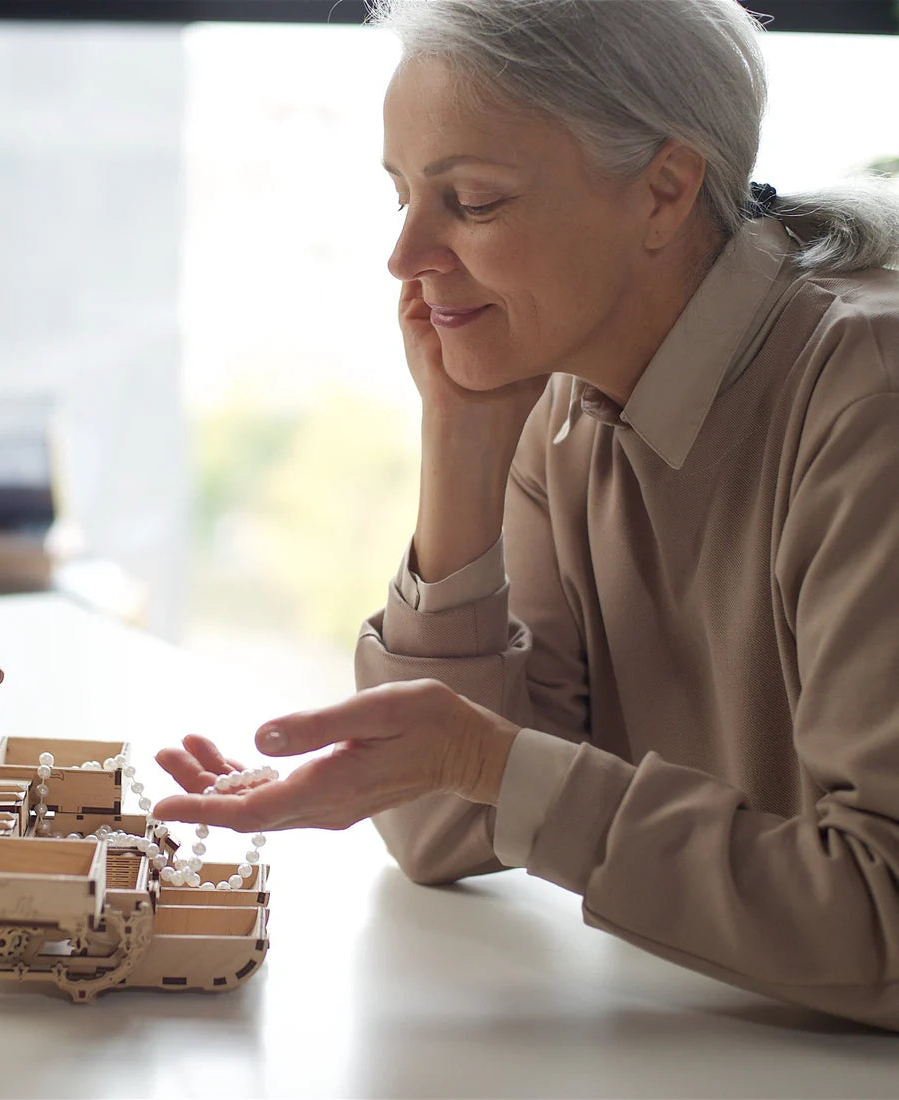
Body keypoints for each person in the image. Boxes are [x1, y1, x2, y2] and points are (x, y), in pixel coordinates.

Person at [155, 0, 899, 1030]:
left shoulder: (868, 401)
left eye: (470, 200)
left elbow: (883, 915)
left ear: (665, 190)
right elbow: (441, 829)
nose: (404, 253)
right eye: (402, 195)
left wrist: (486, 760)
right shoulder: (568, 400)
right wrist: (460, 438)